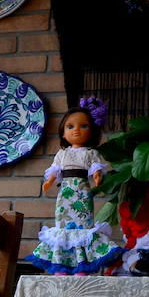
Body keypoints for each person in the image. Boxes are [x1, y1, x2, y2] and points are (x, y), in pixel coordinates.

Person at [27, 101, 124, 275]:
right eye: (70, 126)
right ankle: (62, 264)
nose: (76, 130)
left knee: (82, 226)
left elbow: (95, 168)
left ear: (92, 131)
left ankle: (82, 265)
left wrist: (97, 177)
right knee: (64, 227)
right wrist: (49, 181)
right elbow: (55, 170)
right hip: (65, 193)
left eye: (83, 125)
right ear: (63, 133)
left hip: (82, 191)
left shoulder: (90, 153)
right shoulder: (62, 154)